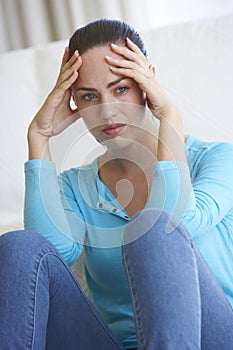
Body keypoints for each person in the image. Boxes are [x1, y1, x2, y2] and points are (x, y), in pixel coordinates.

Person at [0, 18, 233, 350]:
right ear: (74, 103)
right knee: (20, 246)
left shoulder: (217, 160)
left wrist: (169, 115)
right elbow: (52, 253)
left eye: (121, 88)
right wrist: (38, 138)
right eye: (89, 96)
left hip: (211, 338)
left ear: (146, 84)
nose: (107, 111)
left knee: (154, 226)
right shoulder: (75, 186)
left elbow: (179, 222)